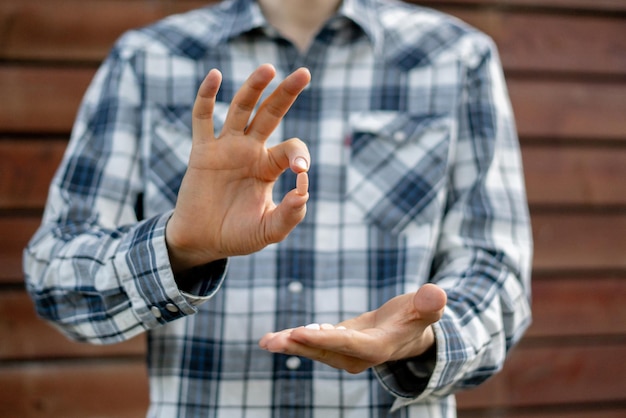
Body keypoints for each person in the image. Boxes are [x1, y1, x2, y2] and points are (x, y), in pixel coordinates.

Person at [23, 0, 533, 416]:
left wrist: (422, 339)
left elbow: (498, 271)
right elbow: (54, 271)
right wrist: (176, 248)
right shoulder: (147, 60)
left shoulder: (458, 59)